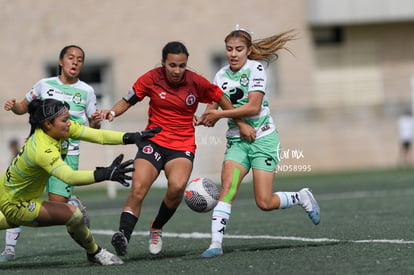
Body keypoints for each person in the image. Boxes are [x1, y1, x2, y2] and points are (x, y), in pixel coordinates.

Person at [99, 41, 241, 257]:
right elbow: (128, 100)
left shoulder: (196, 82)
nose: (177, 71)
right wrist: (112, 113)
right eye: (172, 65)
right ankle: (123, 236)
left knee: (176, 187)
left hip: (182, 144)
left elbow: (218, 96)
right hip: (153, 141)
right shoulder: (151, 78)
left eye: (182, 66)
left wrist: (214, 115)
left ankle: (156, 227)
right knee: (138, 187)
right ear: (163, 62)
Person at [199, 26, 321, 258]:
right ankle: (215, 244)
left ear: (249, 50)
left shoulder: (256, 68)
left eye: (238, 49)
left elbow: (254, 107)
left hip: (263, 140)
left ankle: (300, 196)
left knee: (264, 202)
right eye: (229, 49)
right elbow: (211, 109)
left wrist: (220, 115)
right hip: (237, 143)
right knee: (227, 189)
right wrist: (204, 118)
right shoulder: (220, 75)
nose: (233, 54)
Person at [0, 98, 160, 265]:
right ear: (48, 124)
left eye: (68, 118)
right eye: (64, 120)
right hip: (16, 202)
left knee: (21, 217)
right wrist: (105, 174)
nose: (69, 123)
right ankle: (95, 252)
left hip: (9, 193)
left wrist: (132, 137)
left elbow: (98, 135)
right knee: (74, 214)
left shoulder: (59, 128)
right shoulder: (42, 148)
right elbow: (69, 177)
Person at [1, 45, 101, 261]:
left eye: (80, 59)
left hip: (67, 155)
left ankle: (72, 207)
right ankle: (9, 248)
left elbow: (94, 128)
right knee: (21, 197)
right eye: (71, 58)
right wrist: (13, 106)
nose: (75, 62)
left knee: (57, 206)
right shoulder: (43, 84)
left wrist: (96, 121)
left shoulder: (87, 90)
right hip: (38, 154)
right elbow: (23, 107)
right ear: (60, 61)